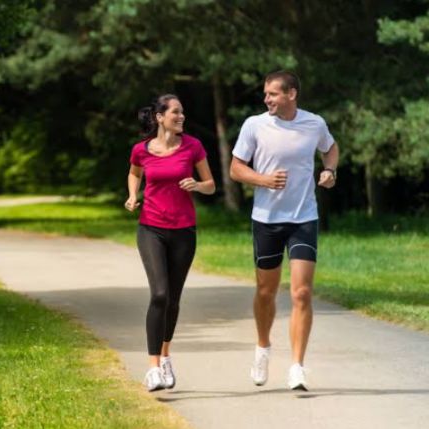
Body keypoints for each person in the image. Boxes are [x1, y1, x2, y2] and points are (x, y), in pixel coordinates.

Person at [229, 71, 339, 391]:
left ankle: (297, 367)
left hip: (304, 217)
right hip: (267, 219)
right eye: (266, 94)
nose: (267, 99)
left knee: (302, 292)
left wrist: (329, 170)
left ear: (291, 94)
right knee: (266, 292)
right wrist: (262, 180)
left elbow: (330, 148)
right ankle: (263, 348)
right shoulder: (254, 125)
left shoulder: (314, 124)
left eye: (273, 94)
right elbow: (236, 168)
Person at [125, 94, 216, 392]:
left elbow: (211, 185)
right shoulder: (141, 150)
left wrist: (197, 185)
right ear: (160, 117)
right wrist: (132, 195)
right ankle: (152, 369)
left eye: (183, 112)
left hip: (184, 230)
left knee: (173, 299)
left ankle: (165, 356)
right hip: (151, 227)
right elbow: (134, 172)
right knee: (160, 294)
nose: (181, 116)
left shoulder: (193, 146)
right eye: (175, 112)